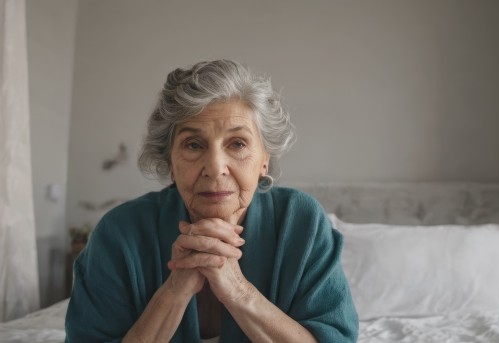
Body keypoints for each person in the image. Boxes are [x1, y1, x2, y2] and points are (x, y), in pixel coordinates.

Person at [65, 59, 358, 342]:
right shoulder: (120, 232)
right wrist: (175, 290)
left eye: (238, 144)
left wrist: (237, 289)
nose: (215, 166)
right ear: (170, 160)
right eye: (193, 144)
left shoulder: (301, 221)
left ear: (264, 160)